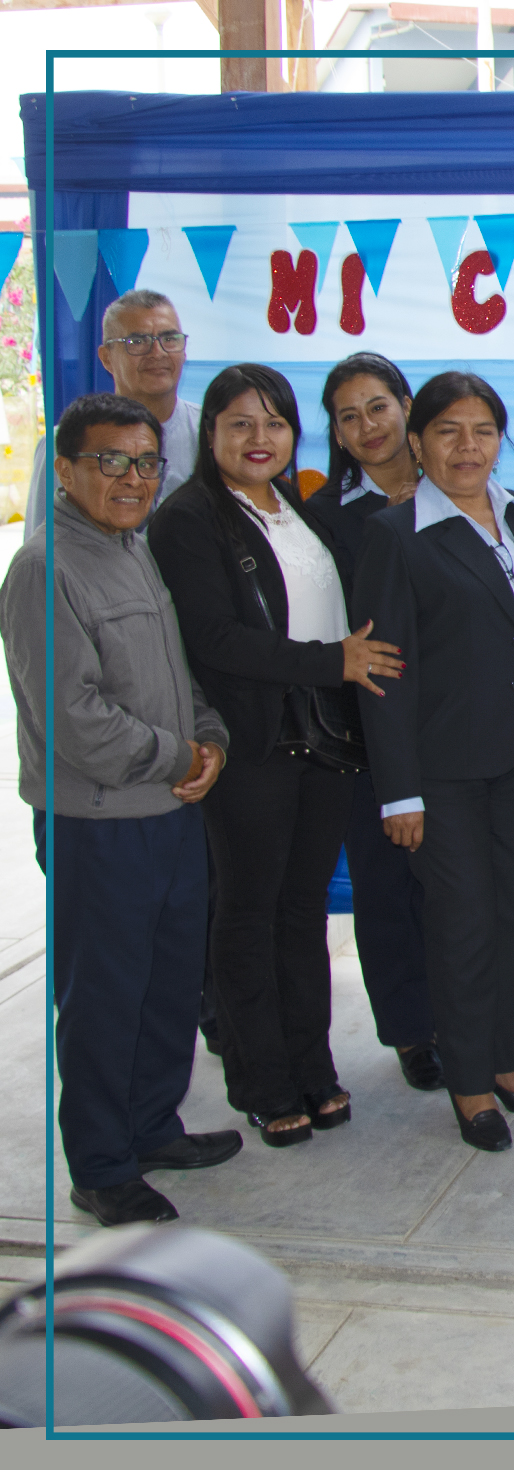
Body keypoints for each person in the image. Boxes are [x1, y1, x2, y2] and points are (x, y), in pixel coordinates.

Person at [148, 364, 402, 1148]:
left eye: (275, 423)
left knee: (302, 911)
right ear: (210, 434)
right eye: (240, 423)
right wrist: (334, 662)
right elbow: (215, 641)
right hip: (254, 743)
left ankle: (312, 1069)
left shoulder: (295, 505)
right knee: (248, 913)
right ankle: (262, 1082)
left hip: (324, 742)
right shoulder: (188, 518)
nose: (259, 438)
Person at [2, 393, 239, 1225]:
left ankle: (151, 1129)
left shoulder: (133, 546)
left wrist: (210, 738)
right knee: (105, 997)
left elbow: (176, 673)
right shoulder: (44, 569)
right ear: (65, 471)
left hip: (170, 811)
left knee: (168, 985)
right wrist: (181, 756)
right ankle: (102, 1166)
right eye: (110, 463)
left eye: (145, 463)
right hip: (98, 825)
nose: (132, 479)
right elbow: (74, 718)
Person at [354, 372, 514, 1152]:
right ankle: (470, 1084)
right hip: (438, 770)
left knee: (506, 917)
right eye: (448, 431)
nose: (467, 447)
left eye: (482, 431)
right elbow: (382, 673)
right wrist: (398, 793)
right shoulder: (394, 534)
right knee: (461, 923)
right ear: (417, 442)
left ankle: (505, 1066)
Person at [302, 352, 443, 1092]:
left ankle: (467, 1016)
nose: (367, 427)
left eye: (378, 407)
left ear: (406, 407)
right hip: (369, 731)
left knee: (458, 888)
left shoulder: (459, 485)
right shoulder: (322, 516)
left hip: (457, 723)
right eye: (348, 417)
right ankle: (413, 1032)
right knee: (386, 887)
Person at [27, 290, 198, 543]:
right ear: (106, 358)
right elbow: (42, 549)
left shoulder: (213, 432)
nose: (157, 352)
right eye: (137, 341)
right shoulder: (64, 444)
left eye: (169, 339)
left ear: (184, 351)